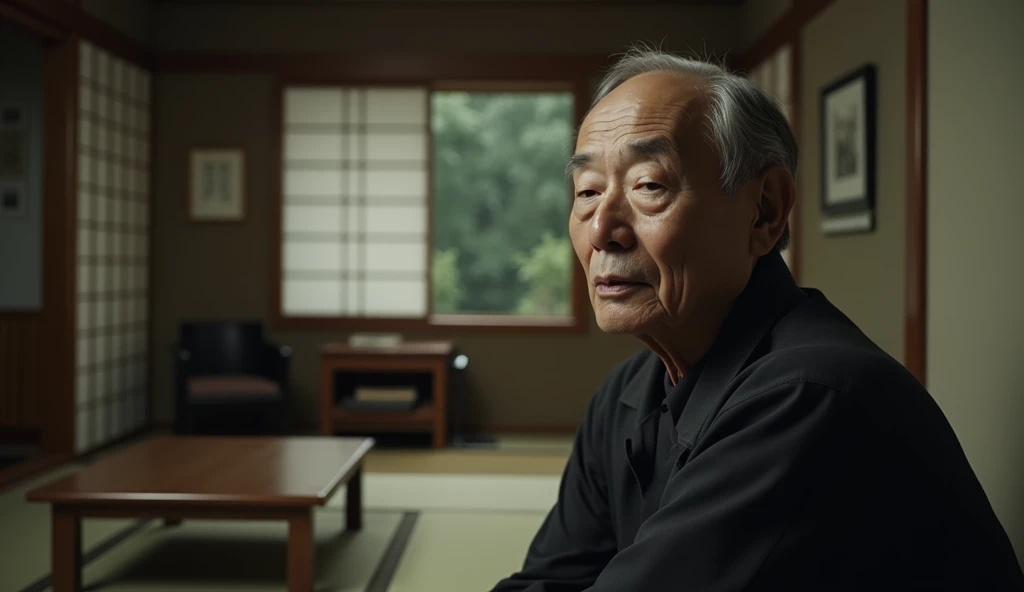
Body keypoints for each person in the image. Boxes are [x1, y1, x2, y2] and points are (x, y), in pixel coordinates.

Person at [491, 47, 1024, 591]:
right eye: (586, 191)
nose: (602, 227)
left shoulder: (808, 397)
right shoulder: (625, 394)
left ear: (765, 211)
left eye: (648, 184)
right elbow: (547, 580)